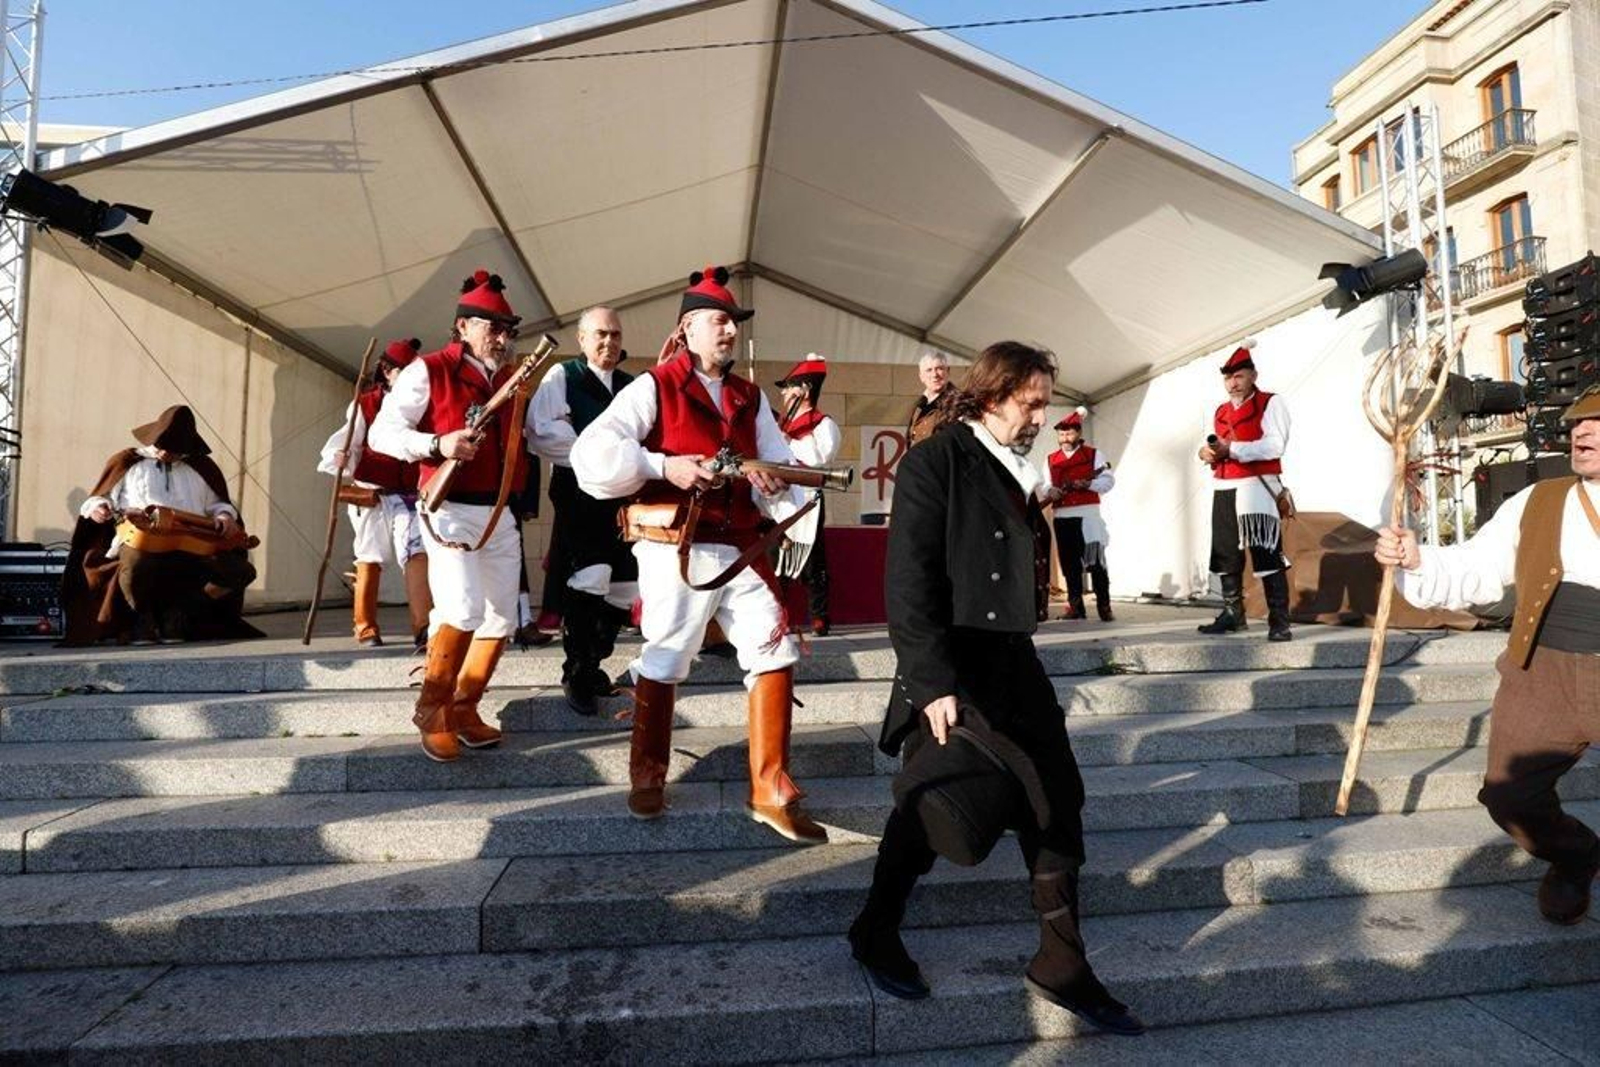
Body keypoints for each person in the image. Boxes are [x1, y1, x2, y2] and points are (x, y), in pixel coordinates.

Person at [849, 341, 1144, 1036]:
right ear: (991, 395)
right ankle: (875, 926)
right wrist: (931, 682)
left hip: (1013, 659)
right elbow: (909, 580)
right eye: (1030, 403)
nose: (1041, 416)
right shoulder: (936, 460)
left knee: (1058, 797)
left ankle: (1061, 960)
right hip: (954, 663)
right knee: (939, 800)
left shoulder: (1015, 464)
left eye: (1045, 403)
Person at [571, 265, 827, 844]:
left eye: (733, 322)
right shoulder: (654, 386)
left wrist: (775, 483)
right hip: (677, 548)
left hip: (741, 547)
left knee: (775, 650)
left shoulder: (749, 396)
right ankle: (647, 774)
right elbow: (593, 453)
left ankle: (770, 788)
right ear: (687, 328)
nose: (730, 330)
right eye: (719, 321)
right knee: (665, 656)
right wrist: (665, 465)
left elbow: (779, 459)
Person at [1376, 384, 1600, 925]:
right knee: (1509, 797)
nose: (1583, 431)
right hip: (1543, 667)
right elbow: (1476, 567)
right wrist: (1416, 560)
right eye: (1579, 422)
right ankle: (1575, 857)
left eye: (1599, 424)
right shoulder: (1538, 501)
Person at [367, 269, 526, 762]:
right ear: (463, 326)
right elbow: (382, 434)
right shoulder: (428, 370)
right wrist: (438, 443)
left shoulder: (510, 378)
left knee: (501, 617)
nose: (500, 336)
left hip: (498, 511)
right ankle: (432, 709)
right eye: (491, 326)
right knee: (461, 608)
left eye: (506, 328)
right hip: (448, 506)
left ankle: (464, 705)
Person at [61, 405, 260, 645]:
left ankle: (180, 613)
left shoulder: (202, 467)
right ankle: (141, 619)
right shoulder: (127, 461)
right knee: (136, 563)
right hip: (141, 538)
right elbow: (100, 497)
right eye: (162, 447)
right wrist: (97, 508)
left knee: (239, 571)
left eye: (174, 451)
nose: (166, 454)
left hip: (191, 541)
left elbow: (218, 504)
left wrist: (226, 516)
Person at [527, 306, 640, 715]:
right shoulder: (563, 376)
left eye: (615, 334)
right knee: (591, 575)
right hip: (579, 492)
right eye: (600, 334)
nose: (609, 341)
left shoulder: (631, 386)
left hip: (624, 497)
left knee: (626, 587)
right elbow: (543, 431)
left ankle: (594, 663)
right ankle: (576, 672)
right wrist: (601, 457)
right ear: (582, 339)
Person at [318, 338, 432, 650]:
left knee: (417, 551)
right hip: (372, 493)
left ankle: (424, 627)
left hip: (409, 496)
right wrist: (343, 459)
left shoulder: (421, 403)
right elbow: (350, 442)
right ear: (386, 371)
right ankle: (365, 625)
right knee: (369, 554)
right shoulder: (365, 404)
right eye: (403, 372)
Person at [1196, 339, 1293, 641]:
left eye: (1239, 376)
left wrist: (1233, 449)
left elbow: (1275, 444)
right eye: (1228, 378)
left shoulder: (1270, 402)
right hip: (1224, 485)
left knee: (1266, 552)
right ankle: (1233, 614)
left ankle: (1279, 621)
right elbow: (1213, 446)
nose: (1233, 383)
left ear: (1253, 375)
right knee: (1225, 553)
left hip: (1257, 487)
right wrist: (1205, 453)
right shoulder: (1220, 411)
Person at [774, 353, 841, 636]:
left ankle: (819, 615)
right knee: (777, 557)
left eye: (789, 387)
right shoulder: (780, 425)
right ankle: (778, 615)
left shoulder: (824, 424)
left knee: (813, 559)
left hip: (807, 498)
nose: (784, 393)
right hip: (779, 498)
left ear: (804, 390)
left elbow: (819, 460)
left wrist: (790, 442)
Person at [1042, 406, 1115, 622]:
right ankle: (1076, 608)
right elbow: (1045, 484)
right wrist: (1050, 491)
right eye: (1061, 434)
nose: (1065, 437)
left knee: (1096, 563)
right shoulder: (1050, 459)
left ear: (1079, 433)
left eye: (1069, 433)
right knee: (1069, 565)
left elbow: (1108, 481)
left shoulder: (1094, 454)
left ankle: (1104, 607)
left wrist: (1089, 484)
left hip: (1088, 517)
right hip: (1062, 518)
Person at [905, 350, 957, 447]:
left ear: (948, 371)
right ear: (921, 377)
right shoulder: (919, 404)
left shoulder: (957, 402)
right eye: (929, 370)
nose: (935, 375)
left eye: (939, 369)